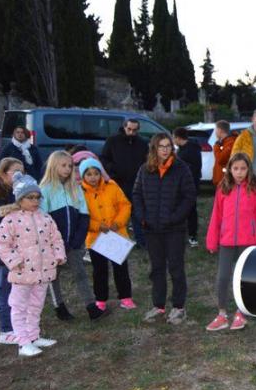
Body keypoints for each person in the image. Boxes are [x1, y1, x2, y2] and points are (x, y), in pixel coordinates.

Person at [0, 172, 65, 357]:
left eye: (37, 197)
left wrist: (58, 255)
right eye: (30, 198)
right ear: (20, 199)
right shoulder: (10, 220)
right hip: (22, 273)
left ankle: (33, 336)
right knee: (19, 306)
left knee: (36, 305)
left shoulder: (45, 218)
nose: (35, 201)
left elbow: (56, 238)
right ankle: (23, 342)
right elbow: (2, 245)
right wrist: (15, 261)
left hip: (43, 271)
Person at [133, 133, 196, 325]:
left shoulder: (181, 168)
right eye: (161, 146)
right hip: (152, 229)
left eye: (168, 145)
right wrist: (143, 218)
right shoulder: (145, 170)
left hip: (174, 229)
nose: (165, 149)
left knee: (176, 268)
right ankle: (158, 306)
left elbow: (189, 196)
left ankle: (178, 308)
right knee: (157, 268)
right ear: (154, 148)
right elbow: (136, 194)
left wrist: (175, 217)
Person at [205, 153, 256, 331]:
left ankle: (241, 313)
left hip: (248, 241)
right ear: (230, 169)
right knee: (223, 277)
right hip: (226, 241)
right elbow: (216, 216)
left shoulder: (255, 189)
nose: (239, 173)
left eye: (243, 168)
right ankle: (222, 314)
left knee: (242, 279)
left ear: (249, 169)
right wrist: (212, 240)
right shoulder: (222, 188)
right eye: (236, 168)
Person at [40, 151, 106, 321]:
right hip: (54, 244)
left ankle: (91, 307)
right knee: (54, 275)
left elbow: (84, 216)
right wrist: (55, 242)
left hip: (74, 244)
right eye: (63, 165)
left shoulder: (75, 188)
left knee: (80, 273)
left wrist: (77, 239)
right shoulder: (45, 189)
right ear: (53, 166)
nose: (68, 169)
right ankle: (59, 306)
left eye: (70, 166)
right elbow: (43, 219)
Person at [80, 158, 136, 312]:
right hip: (95, 239)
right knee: (99, 271)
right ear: (83, 176)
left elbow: (125, 205)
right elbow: (82, 216)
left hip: (116, 234)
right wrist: (97, 226)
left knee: (121, 268)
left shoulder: (112, 186)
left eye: (96, 173)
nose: (93, 177)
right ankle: (101, 299)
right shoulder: (80, 192)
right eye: (89, 174)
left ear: (101, 173)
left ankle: (125, 297)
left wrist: (118, 222)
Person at [0, 158, 24, 344]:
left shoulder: (18, 191)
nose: (19, 176)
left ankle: (21, 326)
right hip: (4, 254)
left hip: (22, 249)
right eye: (15, 172)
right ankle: (6, 330)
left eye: (22, 172)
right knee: (5, 292)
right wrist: (17, 208)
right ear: (3, 173)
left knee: (19, 293)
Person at [100, 119, 149, 248]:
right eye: (129, 129)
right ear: (124, 127)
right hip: (118, 183)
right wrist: (114, 171)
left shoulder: (142, 143)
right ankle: (113, 241)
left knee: (137, 212)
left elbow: (147, 161)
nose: (131, 132)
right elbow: (104, 159)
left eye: (135, 130)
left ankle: (141, 241)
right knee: (116, 213)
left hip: (137, 183)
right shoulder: (112, 141)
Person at [173, 127, 202, 247]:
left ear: (178, 138)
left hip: (188, 186)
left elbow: (192, 169)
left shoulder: (186, 152)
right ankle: (189, 234)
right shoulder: (186, 149)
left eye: (173, 137)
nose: (173, 140)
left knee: (189, 210)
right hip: (188, 185)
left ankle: (192, 235)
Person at [212, 120, 236, 186]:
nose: (215, 132)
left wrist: (216, 146)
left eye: (215, 129)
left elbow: (221, 159)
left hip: (225, 180)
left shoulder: (230, 143)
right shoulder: (223, 142)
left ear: (220, 130)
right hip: (221, 180)